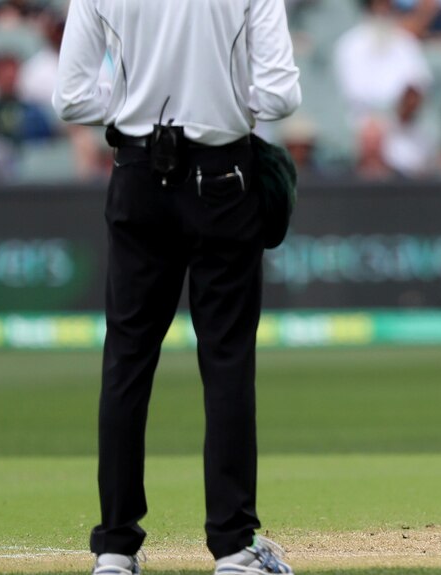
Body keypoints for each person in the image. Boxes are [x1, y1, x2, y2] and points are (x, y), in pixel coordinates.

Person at [52, 1, 301, 574]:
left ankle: (114, 550)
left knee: (127, 361)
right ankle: (234, 548)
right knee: (227, 360)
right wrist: (222, 106)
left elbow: (71, 97)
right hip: (222, 177)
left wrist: (135, 109)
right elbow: (282, 96)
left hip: (138, 174)